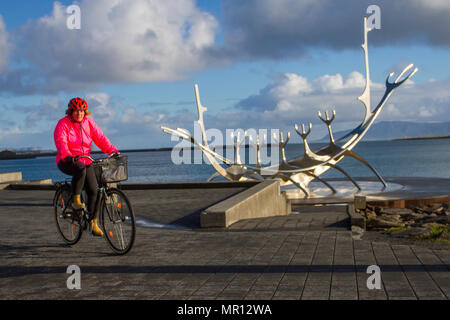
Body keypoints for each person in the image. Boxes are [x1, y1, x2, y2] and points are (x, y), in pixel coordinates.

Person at [54, 97, 119, 236]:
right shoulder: (63, 124)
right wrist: (67, 155)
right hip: (66, 160)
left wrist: (112, 150)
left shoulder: (89, 123)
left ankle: (93, 222)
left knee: (94, 191)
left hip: (85, 160)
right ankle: (76, 200)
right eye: (76, 111)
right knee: (80, 169)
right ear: (71, 112)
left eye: (82, 111)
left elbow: (101, 138)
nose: (80, 114)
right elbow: (61, 141)